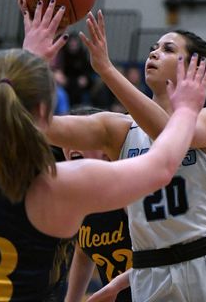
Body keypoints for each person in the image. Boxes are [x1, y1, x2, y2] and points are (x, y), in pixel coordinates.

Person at [0, 0, 206, 301]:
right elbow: (163, 166)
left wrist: (27, 54)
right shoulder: (64, 184)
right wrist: (187, 111)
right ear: (47, 111)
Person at [25, 5, 206, 301]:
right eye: (153, 48)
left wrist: (107, 70)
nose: (154, 53)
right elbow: (39, 125)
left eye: (167, 49)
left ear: (193, 68)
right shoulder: (120, 130)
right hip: (152, 273)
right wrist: (30, 62)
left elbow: (169, 132)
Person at [63, 107, 132, 302]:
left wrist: (119, 284)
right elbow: (83, 252)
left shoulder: (130, 190)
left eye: (79, 138)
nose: (70, 145)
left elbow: (165, 257)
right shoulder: (79, 197)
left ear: (106, 149)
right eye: (65, 138)